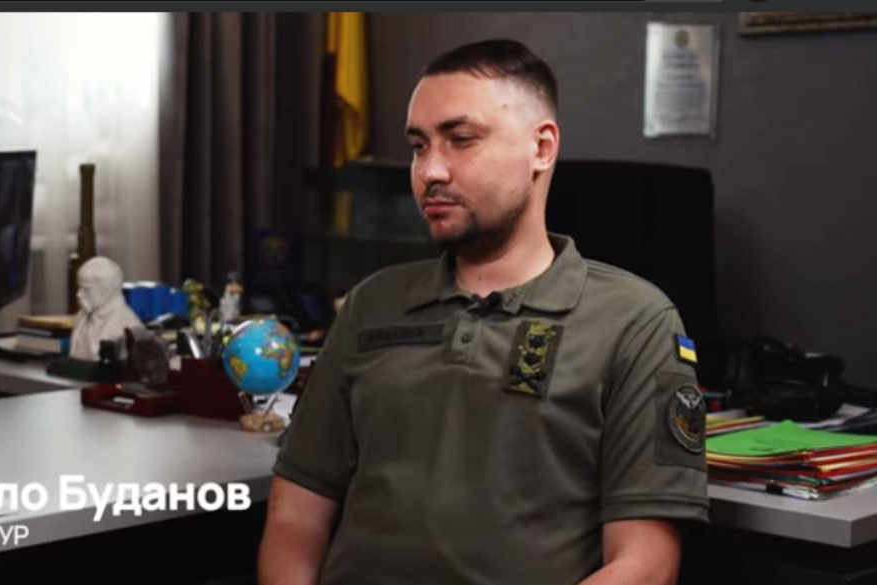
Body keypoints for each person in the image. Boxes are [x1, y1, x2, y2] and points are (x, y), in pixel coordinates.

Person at [259, 39, 709, 585]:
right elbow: (294, 520)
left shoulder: (635, 322)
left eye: (461, 140)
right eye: (419, 146)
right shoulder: (370, 305)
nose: (430, 171)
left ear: (541, 148)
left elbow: (645, 563)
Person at [69, 256, 142, 361]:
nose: (79, 294)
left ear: (107, 290)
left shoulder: (130, 327)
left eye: (86, 289)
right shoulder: (81, 317)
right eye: (79, 287)